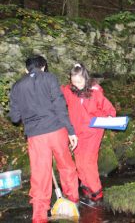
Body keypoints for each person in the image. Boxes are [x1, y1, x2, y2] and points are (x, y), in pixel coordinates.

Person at [9, 55, 79, 223]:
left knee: (40, 177)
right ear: (44, 67)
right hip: (56, 131)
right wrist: (70, 131)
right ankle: (73, 202)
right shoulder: (50, 78)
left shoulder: (17, 86)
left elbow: (14, 117)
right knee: (66, 167)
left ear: (26, 69)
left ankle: (39, 217)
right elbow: (60, 106)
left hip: (36, 137)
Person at [61, 63, 116, 204]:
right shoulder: (68, 90)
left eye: (79, 82)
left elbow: (108, 107)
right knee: (79, 161)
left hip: (94, 131)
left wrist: (110, 116)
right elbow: (55, 95)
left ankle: (97, 193)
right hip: (77, 132)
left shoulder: (95, 91)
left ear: (85, 78)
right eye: (74, 82)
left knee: (88, 161)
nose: (77, 85)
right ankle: (86, 189)